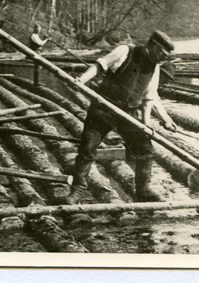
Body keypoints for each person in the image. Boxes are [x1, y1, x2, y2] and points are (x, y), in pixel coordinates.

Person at [65, 31, 177, 205]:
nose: (163, 59)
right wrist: (81, 80)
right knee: (88, 147)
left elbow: (149, 98)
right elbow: (99, 66)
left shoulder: (154, 68)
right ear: (154, 46)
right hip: (104, 108)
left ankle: (143, 190)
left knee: (144, 150)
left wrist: (155, 122)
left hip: (128, 114)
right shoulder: (125, 51)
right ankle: (78, 189)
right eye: (162, 54)